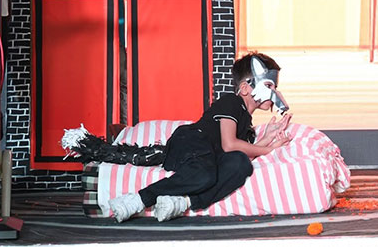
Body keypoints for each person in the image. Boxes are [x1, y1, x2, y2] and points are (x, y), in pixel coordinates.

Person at [109, 52, 294, 222]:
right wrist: (268, 149)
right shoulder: (232, 102)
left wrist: (268, 138)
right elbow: (229, 144)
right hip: (190, 142)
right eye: (268, 85)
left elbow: (242, 155)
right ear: (245, 88)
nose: (274, 92)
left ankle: (183, 202)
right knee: (205, 173)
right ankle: (138, 199)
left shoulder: (247, 130)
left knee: (241, 164)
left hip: (209, 157)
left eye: (275, 87)